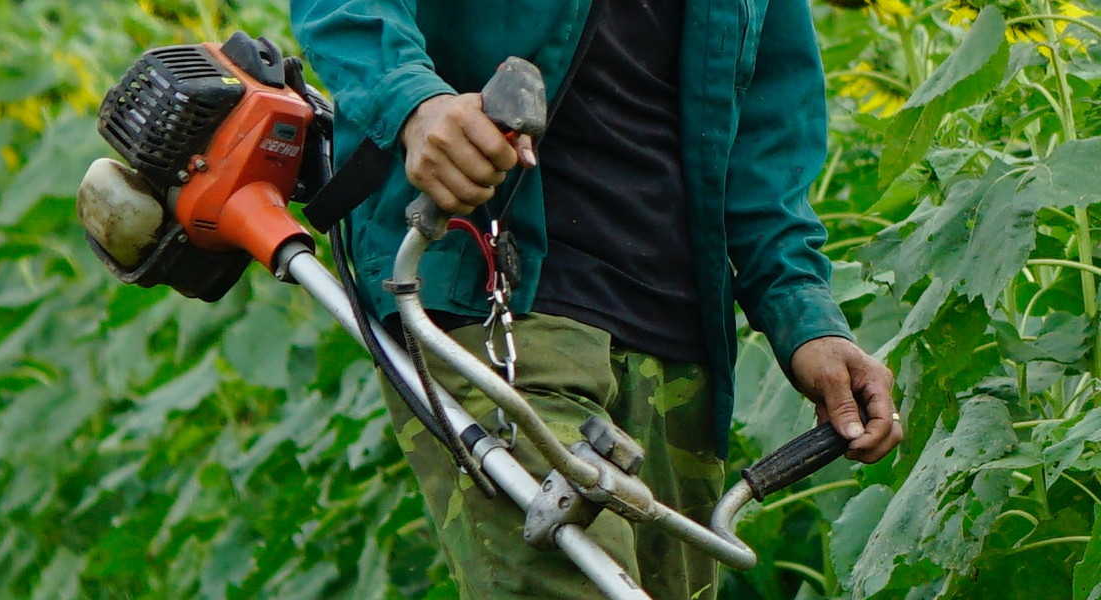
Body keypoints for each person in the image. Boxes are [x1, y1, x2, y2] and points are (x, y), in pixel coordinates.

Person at [290, 1, 904, 599]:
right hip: (498, 301)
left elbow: (768, 140)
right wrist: (415, 102)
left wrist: (807, 318)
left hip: (679, 346)